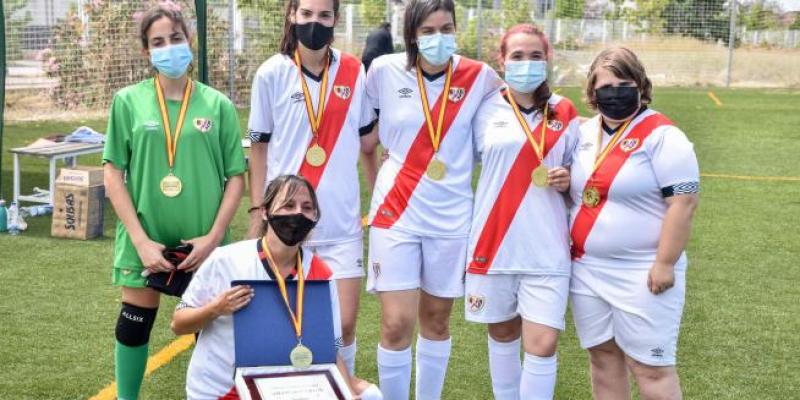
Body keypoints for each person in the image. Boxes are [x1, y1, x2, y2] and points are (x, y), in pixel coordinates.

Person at [102, 4, 246, 399]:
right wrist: (142, 242)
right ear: (147, 53)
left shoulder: (218, 105)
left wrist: (213, 238)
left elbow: (236, 177)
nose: (170, 49)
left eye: (176, 39)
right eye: (158, 43)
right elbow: (113, 173)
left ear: (190, 42)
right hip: (144, 240)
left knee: (213, 329)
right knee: (133, 326)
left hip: (205, 243)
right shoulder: (128, 101)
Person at [362, 0, 501, 398]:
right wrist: (378, 188)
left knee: (437, 322)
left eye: (446, 29)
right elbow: (365, 137)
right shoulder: (384, 71)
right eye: (428, 31)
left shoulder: (481, 76)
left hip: (452, 217)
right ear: (412, 34)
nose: (438, 38)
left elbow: (518, 117)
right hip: (396, 214)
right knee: (395, 324)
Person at [246, 0, 379, 376]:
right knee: (287, 327)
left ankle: (342, 386)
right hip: (287, 222)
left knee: (345, 326)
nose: (315, 23)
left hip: (340, 223)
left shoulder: (354, 70)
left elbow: (369, 141)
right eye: (307, 14)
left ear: (335, 19)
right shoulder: (272, 73)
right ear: (293, 16)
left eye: (323, 16)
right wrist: (259, 211)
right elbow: (258, 148)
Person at [172, 175, 381, 400]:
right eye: (288, 205)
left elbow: (328, 349)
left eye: (307, 207)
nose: (298, 214)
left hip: (285, 386)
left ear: (315, 217)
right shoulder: (226, 261)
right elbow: (178, 323)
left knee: (371, 395)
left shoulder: (321, 274)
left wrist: (348, 394)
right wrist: (215, 308)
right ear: (265, 211)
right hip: (220, 391)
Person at [568, 47, 700, 400]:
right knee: (602, 359)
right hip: (587, 270)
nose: (614, 92)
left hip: (643, 271)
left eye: (623, 83)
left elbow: (683, 204)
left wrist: (664, 263)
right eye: (605, 85)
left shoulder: (664, 136)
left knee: (652, 370)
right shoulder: (582, 134)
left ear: (640, 85)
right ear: (592, 93)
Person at [464, 24, 579, 400]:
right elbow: (451, 159)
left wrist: (570, 179)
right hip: (494, 244)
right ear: (502, 60)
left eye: (535, 56)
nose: (526, 63)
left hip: (546, 248)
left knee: (542, 343)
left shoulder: (565, 110)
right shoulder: (483, 108)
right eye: (517, 56)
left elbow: (586, 173)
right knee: (502, 334)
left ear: (547, 59)